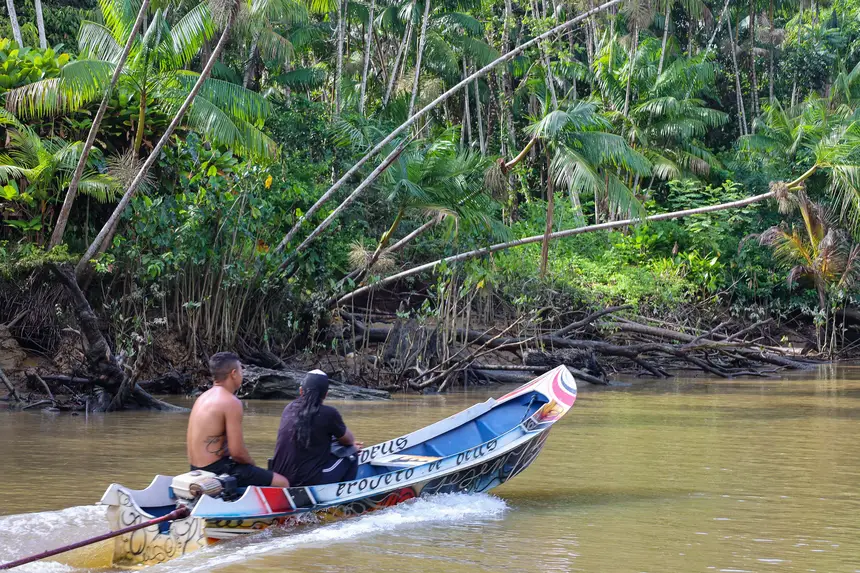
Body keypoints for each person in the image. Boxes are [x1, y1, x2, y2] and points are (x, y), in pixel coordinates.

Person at [187, 352, 290, 488]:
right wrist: (252, 465)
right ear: (234, 373)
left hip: (195, 469)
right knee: (283, 482)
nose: (243, 375)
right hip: (216, 470)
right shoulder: (231, 402)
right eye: (241, 370)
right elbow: (237, 452)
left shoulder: (202, 398)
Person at [271, 370, 361, 486]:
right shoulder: (329, 413)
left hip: (281, 478)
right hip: (308, 480)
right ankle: (346, 497)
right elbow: (349, 440)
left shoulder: (289, 408)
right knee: (352, 453)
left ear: (301, 391)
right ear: (326, 394)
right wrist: (351, 446)